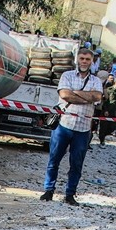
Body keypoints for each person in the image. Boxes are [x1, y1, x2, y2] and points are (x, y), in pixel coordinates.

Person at [41, 47, 103, 206]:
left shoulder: (96, 81)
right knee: (54, 159)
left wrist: (76, 93)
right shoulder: (66, 75)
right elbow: (64, 95)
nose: (84, 61)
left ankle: (70, 194)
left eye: (87, 59)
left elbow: (97, 96)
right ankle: (49, 190)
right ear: (77, 59)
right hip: (64, 125)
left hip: (83, 129)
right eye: (82, 58)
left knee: (76, 164)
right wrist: (86, 97)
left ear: (92, 61)